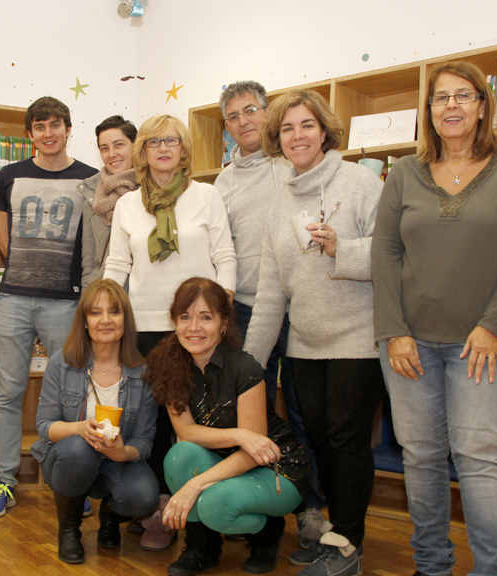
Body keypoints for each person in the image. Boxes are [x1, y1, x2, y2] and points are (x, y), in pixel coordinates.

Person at [373, 61, 497, 576]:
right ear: (429, 111)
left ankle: (495, 571)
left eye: (463, 96)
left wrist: (493, 323)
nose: (451, 105)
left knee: (481, 459)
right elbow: (385, 254)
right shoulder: (403, 172)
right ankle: (432, 566)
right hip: (409, 344)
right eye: (440, 97)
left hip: (483, 342)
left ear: (482, 106)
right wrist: (394, 331)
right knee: (421, 458)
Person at [245, 88, 385, 576]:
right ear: (276, 139)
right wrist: (250, 362)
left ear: (323, 130)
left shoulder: (361, 184)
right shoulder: (278, 204)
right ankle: (334, 534)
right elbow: (269, 293)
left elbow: (395, 257)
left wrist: (340, 250)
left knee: (347, 442)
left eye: (306, 125)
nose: (297, 136)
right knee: (319, 443)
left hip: (358, 343)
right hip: (303, 347)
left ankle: (348, 544)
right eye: (286, 128)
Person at [103, 113, 237, 550]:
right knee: (156, 426)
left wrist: (222, 312)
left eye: (172, 141)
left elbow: (225, 257)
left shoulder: (207, 195)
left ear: (184, 150)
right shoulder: (127, 205)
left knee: (197, 423)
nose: (164, 148)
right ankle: (161, 510)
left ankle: (203, 516)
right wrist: (105, 310)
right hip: (145, 328)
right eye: (154, 141)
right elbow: (117, 266)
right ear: (142, 151)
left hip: (196, 331)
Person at [215, 80, 329, 547]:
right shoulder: (223, 180)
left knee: (304, 411)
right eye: (234, 116)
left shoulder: (294, 164)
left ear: (269, 115)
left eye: (252, 111)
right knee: (250, 413)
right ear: (226, 127)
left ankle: (311, 507)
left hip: (301, 304)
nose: (244, 121)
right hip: (245, 309)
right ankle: (256, 503)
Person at [144, 278, 308, 576]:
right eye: (185, 317)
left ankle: (267, 533)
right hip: (227, 461)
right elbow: (188, 431)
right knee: (181, 456)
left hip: (275, 467)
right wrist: (238, 434)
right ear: (175, 321)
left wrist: (195, 485)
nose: (193, 327)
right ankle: (201, 548)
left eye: (205, 317)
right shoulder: (168, 363)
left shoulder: (245, 367)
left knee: (212, 505)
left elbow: (254, 452)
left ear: (223, 323)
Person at [0, 96, 99, 517]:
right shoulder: (10, 175)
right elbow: (3, 241)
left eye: (56, 124)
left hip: (65, 302)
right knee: (9, 393)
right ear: (29, 133)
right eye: (39, 126)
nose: (48, 133)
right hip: (14, 296)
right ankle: (3, 481)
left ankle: (69, 480)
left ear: (69, 129)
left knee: (70, 396)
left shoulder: (90, 177)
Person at [31, 279, 159, 564]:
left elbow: (145, 443)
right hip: (68, 462)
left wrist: (123, 452)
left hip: (116, 464)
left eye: (114, 312)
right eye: (95, 312)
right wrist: (78, 429)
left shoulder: (144, 373)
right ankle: (69, 530)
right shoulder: (61, 363)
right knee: (78, 449)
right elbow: (44, 427)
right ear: (84, 320)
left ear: (126, 319)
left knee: (145, 496)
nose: (105, 320)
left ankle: (110, 518)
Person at [79, 115, 140, 289]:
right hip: (105, 294)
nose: (112, 154)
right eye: (104, 148)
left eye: (118, 145)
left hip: (141, 296)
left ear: (135, 146)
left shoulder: (151, 191)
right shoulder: (92, 196)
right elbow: (89, 264)